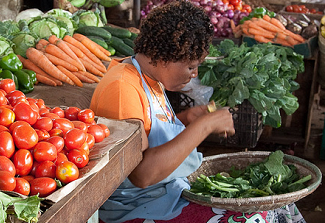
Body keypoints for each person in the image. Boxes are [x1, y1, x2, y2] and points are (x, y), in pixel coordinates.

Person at [90, 1, 305, 223]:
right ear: (164, 58)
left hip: (161, 193)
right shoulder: (122, 88)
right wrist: (203, 126)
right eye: (191, 66)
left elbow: (148, 133)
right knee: (252, 217)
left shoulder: (149, 78)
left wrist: (186, 119)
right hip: (134, 207)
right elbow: (141, 175)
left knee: (279, 203)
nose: (194, 74)